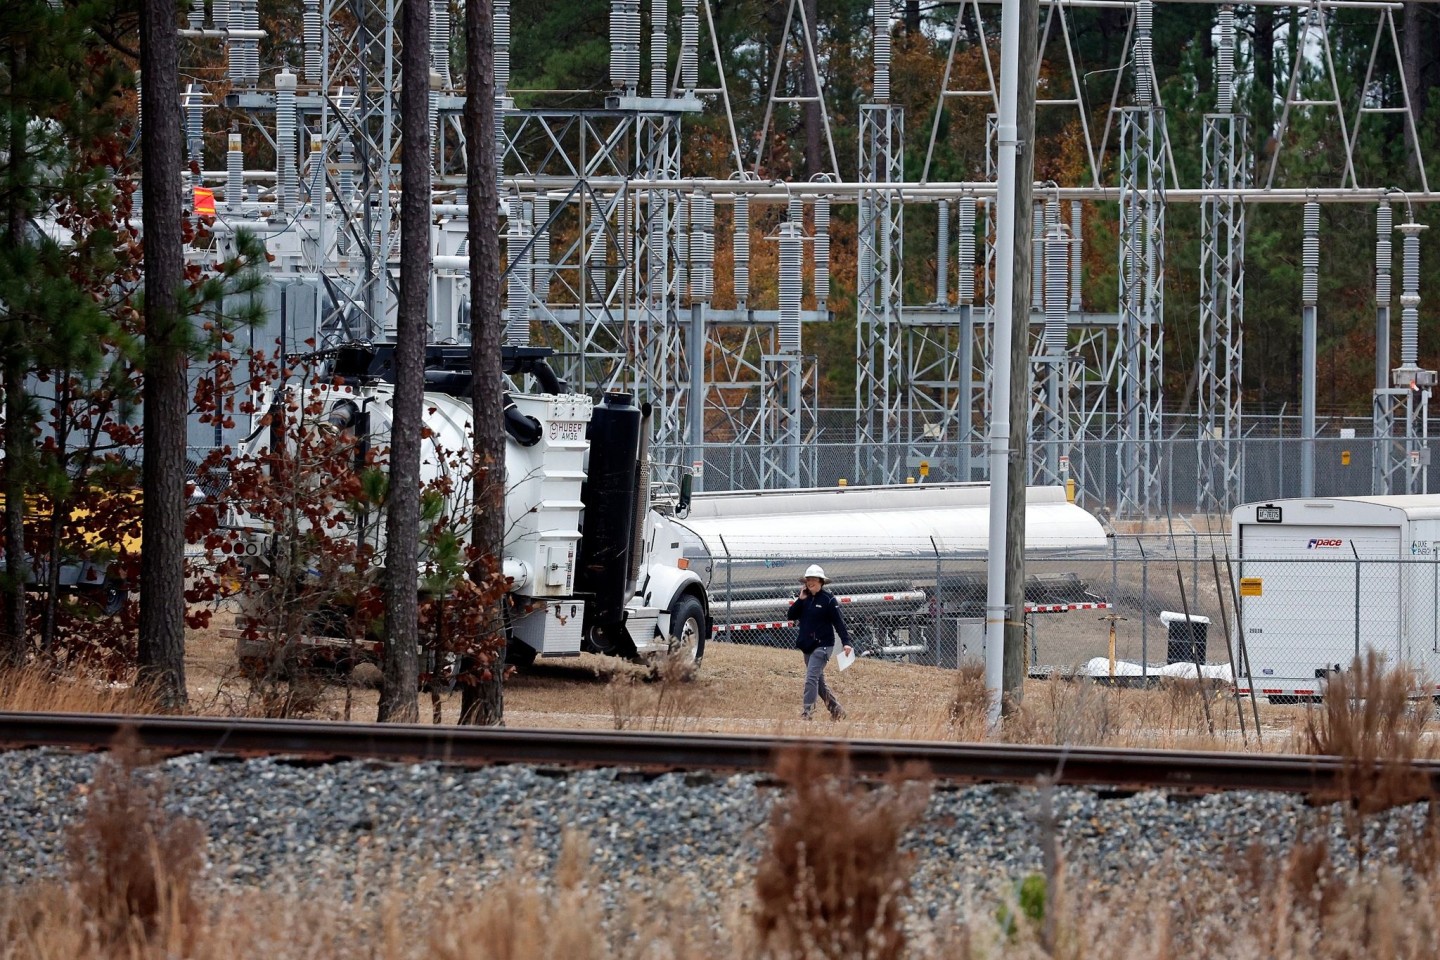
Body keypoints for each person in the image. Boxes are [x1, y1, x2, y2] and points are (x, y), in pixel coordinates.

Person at [787, 564, 853, 720]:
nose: (810, 583)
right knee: (819, 683)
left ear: (821, 581)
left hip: (823, 646)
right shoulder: (805, 599)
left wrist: (846, 642)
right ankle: (836, 709)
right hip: (807, 646)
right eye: (808, 580)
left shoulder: (828, 600)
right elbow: (791, 615)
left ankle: (807, 712)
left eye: (813, 580)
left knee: (811, 678)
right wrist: (799, 599)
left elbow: (839, 623)